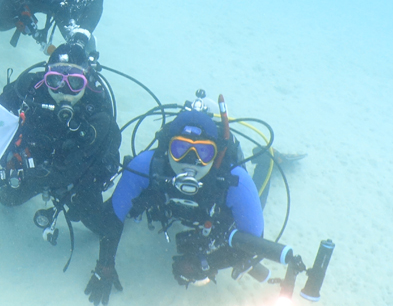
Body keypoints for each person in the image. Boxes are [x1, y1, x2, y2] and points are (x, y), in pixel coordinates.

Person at [83, 110, 264, 304]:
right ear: (167, 148)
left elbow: (254, 242)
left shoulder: (236, 182)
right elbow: (114, 216)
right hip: (172, 209)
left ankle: (266, 162)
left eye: (203, 152)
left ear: (216, 154)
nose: (191, 161)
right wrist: (105, 265)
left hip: (213, 219)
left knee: (259, 196)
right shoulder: (146, 165)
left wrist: (206, 263)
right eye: (180, 149)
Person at [0, 43, 121, 248]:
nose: (64, 91)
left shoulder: (99, 114)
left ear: (87, 82)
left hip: (77, 179)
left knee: (101, 226)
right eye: (55, 80)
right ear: (44, 77)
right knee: (7, 199)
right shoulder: (30, 87)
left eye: (75, 82)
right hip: (34, 163)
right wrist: (10, 156)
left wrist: (16, 175)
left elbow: (67, 172)